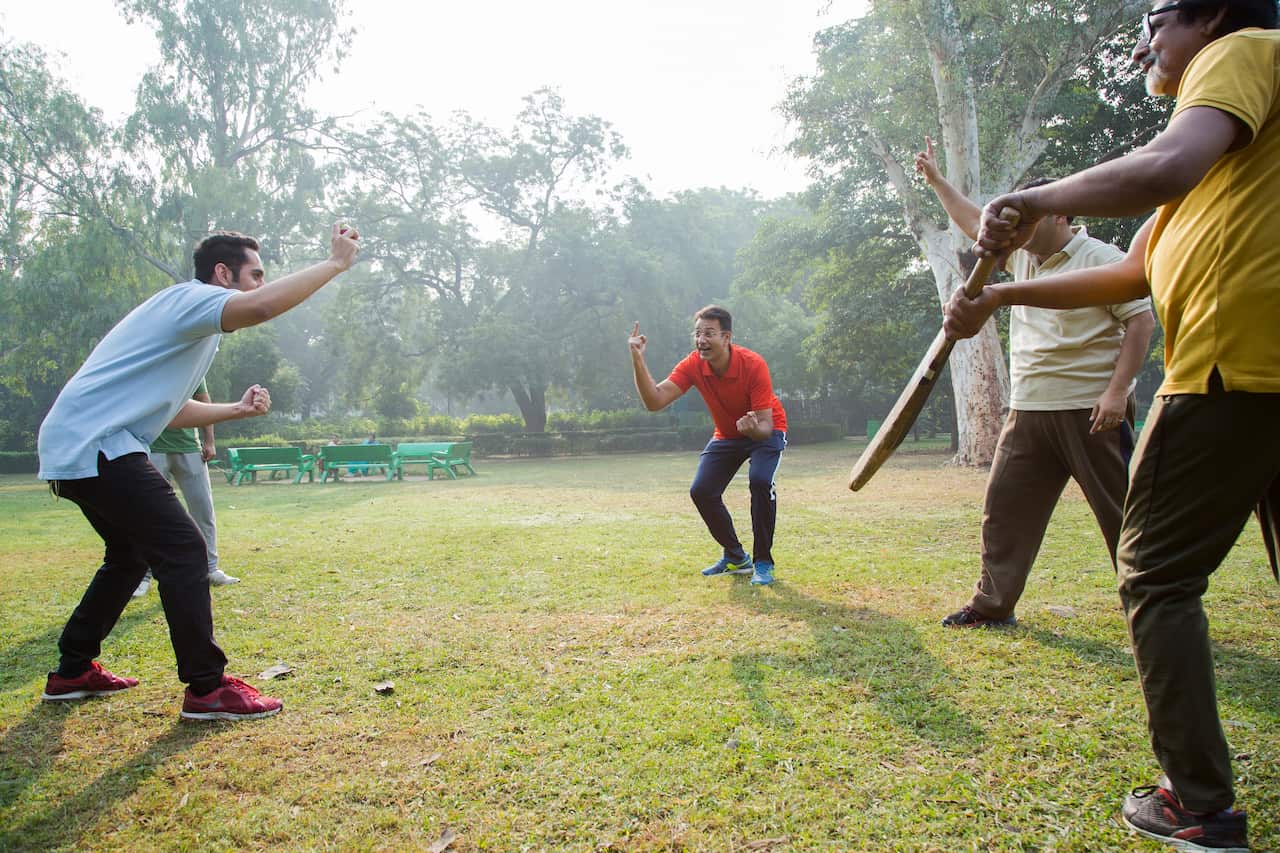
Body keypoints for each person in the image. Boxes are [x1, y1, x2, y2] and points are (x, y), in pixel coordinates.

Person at [945, 1, 1279, 847]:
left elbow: (1161, 164)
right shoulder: (1230, 169)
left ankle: (1197, 805)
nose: (1143, 49)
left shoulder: (1245, 49)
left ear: (1211, 14)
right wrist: (1000, 295)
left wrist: (1034, 194)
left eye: (1155, 23)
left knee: (1156, 575)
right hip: (1261, 376)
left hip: (1232, 373)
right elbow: (1132, 273)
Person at [38, 224, 360, 721]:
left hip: (78, 441)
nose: (261, 284)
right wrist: (335, 263)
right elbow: (260, 308)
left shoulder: (188, 323)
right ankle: (207, 689)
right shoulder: (192, 299)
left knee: (129, 556)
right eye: (256, 275)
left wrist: (236, 410)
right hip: (98, 443)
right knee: (184, 549)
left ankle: (72, 671)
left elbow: (168, 409)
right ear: (222, 274)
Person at [914, 140, 1156, 628]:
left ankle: (1154, 606)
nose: (1019, 231)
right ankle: (992, 605)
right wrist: (938, 182)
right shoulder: (1021, 257)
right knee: (1004, 511)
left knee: (1122, 516)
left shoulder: (1103, 258)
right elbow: (973, 220)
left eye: (1030, 218)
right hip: (1028, 408)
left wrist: (1117, 391)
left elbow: (1141, 320)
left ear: (1059, 213)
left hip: (1090, 409)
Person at [628, 305, 788, 586]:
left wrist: (753, 429)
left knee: (760, 482)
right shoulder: (693, 365)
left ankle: (763, 562)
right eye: (698, 333)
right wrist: (638, 359)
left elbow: (765, 425)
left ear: (726, 337)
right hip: (727, 435)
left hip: (766, 431)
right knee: (702, 491)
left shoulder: (753, 364)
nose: (701, 340)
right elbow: (655, 401)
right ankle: (736, 557)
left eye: (709, 333)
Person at [133, 380, 239, 599]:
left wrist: (209, 440)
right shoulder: (147, 365)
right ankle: (144, 575)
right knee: (149, 514)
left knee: (203, 509)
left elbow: (204, 401)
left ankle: (210, 568)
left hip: (189, 447)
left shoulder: (193, 366)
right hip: (152, 446)